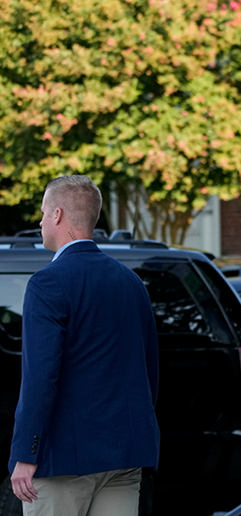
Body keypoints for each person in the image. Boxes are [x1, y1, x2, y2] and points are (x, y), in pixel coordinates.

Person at [9, 175, 160, 514]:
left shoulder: (47, 282)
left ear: (59, 215)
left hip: (62, 459)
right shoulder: (131, 281)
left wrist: (25, 454)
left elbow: (40, 377)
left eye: (44, 213)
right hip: (125, 454)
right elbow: (148, 369)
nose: (40, 221)